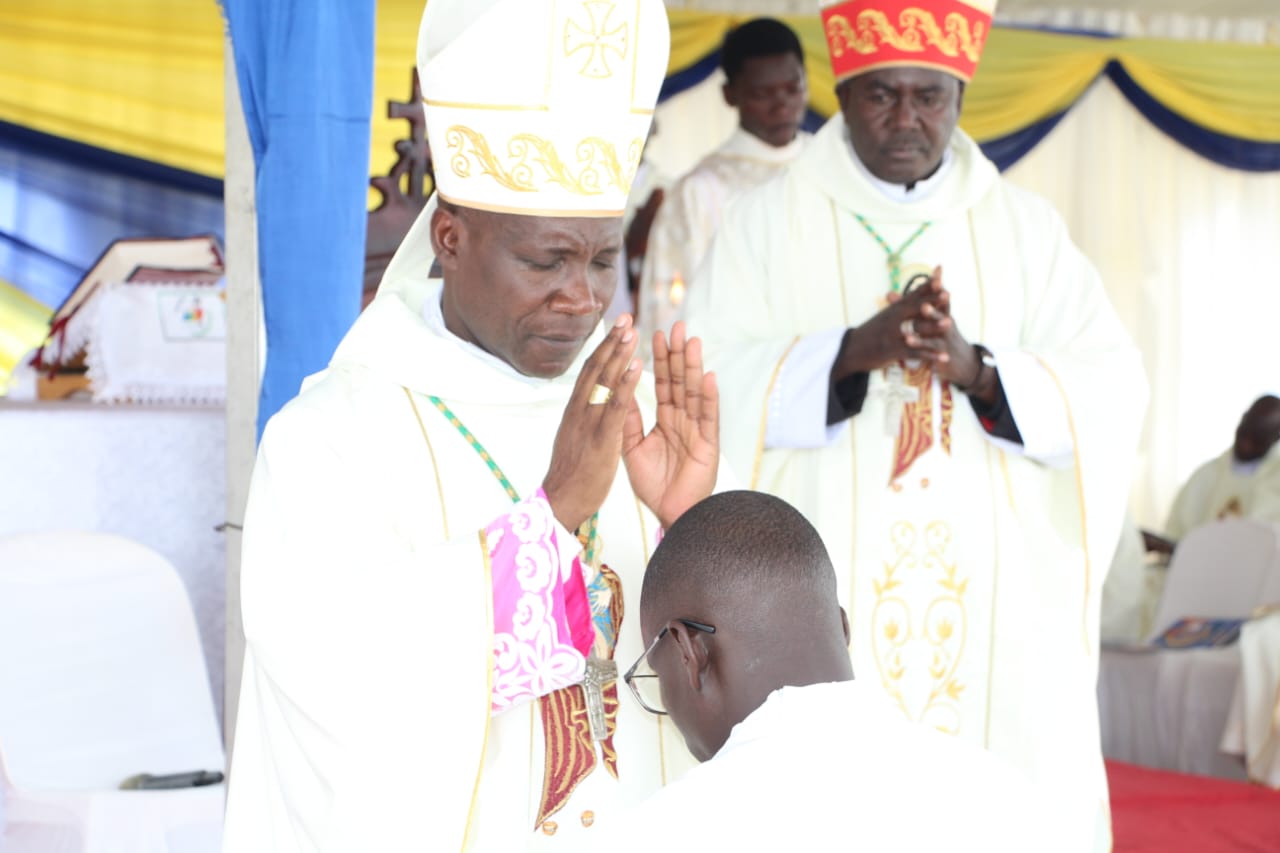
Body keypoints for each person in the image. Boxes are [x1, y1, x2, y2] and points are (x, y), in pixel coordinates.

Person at [222, 2, 721, 850]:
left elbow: (713, 695)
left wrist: (688, 525)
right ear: (449, 238)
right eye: (545, 259)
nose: (582, 297)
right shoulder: (329, 437)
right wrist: (553, 517)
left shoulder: (629, 420)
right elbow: (335, 684)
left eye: (602, 259)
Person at [684, 1, 1147, 848]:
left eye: (929, 96)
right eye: (881, 96)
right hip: (824, 581)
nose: (906, 120)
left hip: (993, 596)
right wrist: (846, 353)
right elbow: (700, 386)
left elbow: (1114, 387)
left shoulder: (1026, 231)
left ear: (962, 95)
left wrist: (978, 370)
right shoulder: (764, 224)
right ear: (845, 90)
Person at [594, 490, 1043, 850]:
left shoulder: (663, 834)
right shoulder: (1003, 796)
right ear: (842, 627)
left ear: (688, 652)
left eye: (654, 674)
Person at [636, 18, 810, 355]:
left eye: (793, 88)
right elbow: (671, 303)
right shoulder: (701, 190)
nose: (782, 105)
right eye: (763, 93)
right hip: (736, 368)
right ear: (730, 95)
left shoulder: (831, 169)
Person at [1148, 394, 1280, 551]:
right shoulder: (1204, 475)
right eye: (1246, 430)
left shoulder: (1275, 484)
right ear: (1242, 418)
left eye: (1259, 436)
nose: (1248, 441)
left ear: (1276, 436)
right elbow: (1175, 535)